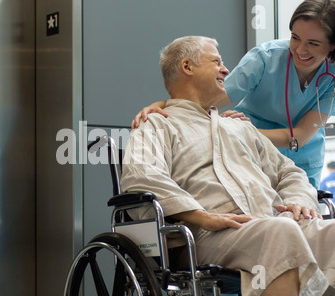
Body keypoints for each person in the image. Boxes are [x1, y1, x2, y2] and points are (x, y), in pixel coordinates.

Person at [120, 35, 335, 296]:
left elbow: (288, 172)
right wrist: (202, 216)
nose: (226, 70)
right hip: (205, 235)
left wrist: (297, 201)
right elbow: (142, 178)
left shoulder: (240, 126)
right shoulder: (157, 125)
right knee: (280, 232)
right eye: (217, 62)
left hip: (270, 222)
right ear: (187, 67)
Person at [131, 0, 335, 189]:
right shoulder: (265, 58)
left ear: (332, 45)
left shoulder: (332, 77)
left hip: (302, 160)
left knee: (304, 211)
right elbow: (209, 99)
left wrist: (237, 131)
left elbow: (298, 137)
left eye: (313, 44)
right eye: (295, 38)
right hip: (251, 153)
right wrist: (164, 105)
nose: (300, 49)